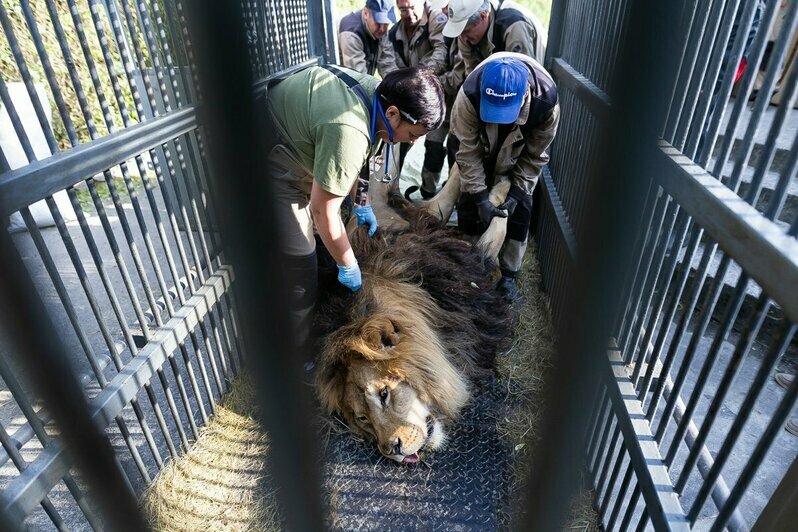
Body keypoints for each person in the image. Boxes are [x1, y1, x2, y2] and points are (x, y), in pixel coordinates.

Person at [265, 65, 445, 357]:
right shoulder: (348, 130)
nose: (413, 142)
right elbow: (323, 210)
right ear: (393, 114)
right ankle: (296, 354)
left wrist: (362, 204)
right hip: (276, 162)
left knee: (327, 247)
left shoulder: (378, 94)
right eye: (413, 134)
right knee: (301, 263)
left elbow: (363, 158)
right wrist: (349, 265)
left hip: (306, 144)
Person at [450, 52, 559, 300]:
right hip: (480, 146)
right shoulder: (469, 95)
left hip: (520, 153)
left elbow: (536, 155)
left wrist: (517, 193)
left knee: (522, 209)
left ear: (526, 94)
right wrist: (480, 198)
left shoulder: (547, 103)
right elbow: (466, 151)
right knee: (468, 201)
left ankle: (510, 275)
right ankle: (470, 264)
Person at [388, 0, 449, 174]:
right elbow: (394, 66)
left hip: (441, 96)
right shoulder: (395, 32)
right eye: (403, 10)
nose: (409, 14)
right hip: (413, 98)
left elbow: (441, 51)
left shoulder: (436, 20)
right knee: (401, 140)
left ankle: (429, 191)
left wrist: (417, 78)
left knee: (435, 145)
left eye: (412, 8)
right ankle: (392, 182)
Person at [442, 0, 546, 75]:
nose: (463, 38)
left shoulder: (513, 27)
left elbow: (523, 77)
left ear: (483, 16)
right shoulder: (465, 36)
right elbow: (473, 76)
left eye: (466, 30)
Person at [339, 0, 400, 77]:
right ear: (366, 13)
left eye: (386, 23)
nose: (382, 29)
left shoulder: (381, 31)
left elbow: (388, 66)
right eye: (378, 22)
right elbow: (358, 78)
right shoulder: (351, 34)